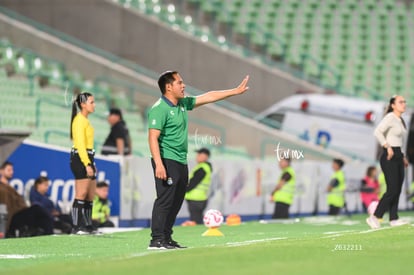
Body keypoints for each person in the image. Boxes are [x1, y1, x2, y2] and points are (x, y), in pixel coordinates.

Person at [147, 71, 249, 249]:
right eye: (179, 82)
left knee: (177, 201)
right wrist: (159, 164)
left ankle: (167, 237)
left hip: (180, 160)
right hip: (166, 159)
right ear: (168, 87)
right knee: (165, 200)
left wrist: (234, 91)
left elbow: (208, 96)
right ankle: (156, 239)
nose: (183, 85)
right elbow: (152, 137)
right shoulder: (159, 108)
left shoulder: (182, 104)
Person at [367, 95, 409, 229]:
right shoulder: (390, 117)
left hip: (398, 155)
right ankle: (375, 216)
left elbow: (398, 141)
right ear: (393, 105)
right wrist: (387, 146)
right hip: (389, 156)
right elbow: (377, 132)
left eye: (404, 102)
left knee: (397, 189)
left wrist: (402, 156)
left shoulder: (400, 120)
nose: (404, 104)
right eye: (400, 102)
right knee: (392, 189)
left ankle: (393, 218)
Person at [0, 161, 53, 237]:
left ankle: (46, 236)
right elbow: (5, 207)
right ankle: (49, 235)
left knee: (40, 215)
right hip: (12, 217)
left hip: (20, 213)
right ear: (1, 171)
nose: (12, 172)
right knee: (36, 208)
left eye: (12, 170)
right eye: (9, 170)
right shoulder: (2, 188)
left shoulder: (9, 187)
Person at [70, 92, 98, 234]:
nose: (94, 105)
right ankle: (76, 226)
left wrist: (92, 163)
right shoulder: (79, 120)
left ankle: (88, 226)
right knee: (81, 193)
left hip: (89, 157)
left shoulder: (85, 121)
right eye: (91, 102)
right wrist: (87, 164)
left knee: (90, 194)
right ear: (83, 104)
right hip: (80, 158)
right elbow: (80, 145)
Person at [184, 148, 213, 224]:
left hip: (196, 199)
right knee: (198, 220)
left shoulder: (202, 168)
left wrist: (182, 190)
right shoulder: (204, 167)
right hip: (199, 198)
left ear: (205, 157)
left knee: (195, 221)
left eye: (199, 154)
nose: (197, 156)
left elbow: (193, 183)